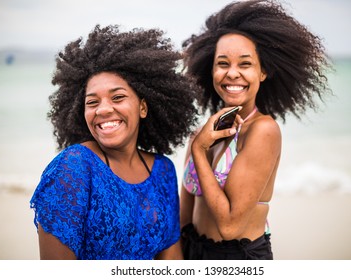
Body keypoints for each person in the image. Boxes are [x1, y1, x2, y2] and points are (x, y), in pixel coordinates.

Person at [30, 25, 199, 260]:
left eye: (118, 97)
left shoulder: (163, 171)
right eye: (92, 102)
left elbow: (170, 260)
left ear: (142, 107)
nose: (104, 109)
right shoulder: (73, 168)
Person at [180, 0, 331, 259]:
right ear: (211, 69)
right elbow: (185, 216)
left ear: (263, 72)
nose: (232, 73)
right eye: (223, 63)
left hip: (236, 256)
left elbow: (230, 226)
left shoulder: (263, 130)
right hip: (193, 250)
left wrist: (198, 149)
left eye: (245, 64)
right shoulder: (203, 134)